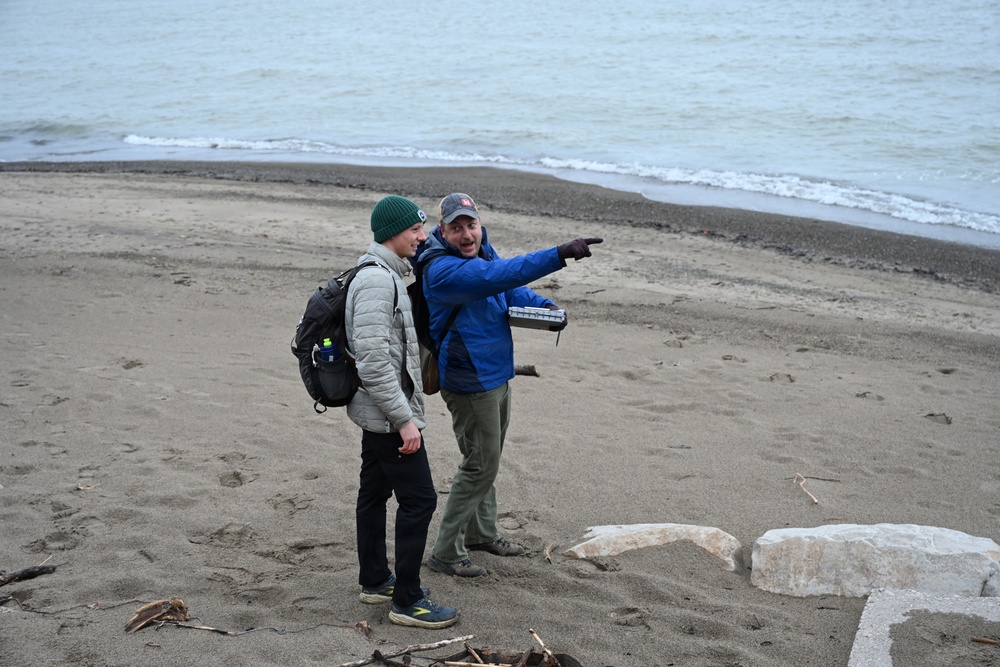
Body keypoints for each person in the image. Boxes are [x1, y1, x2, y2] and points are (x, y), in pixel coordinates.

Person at [413, 192, 602, 577]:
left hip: (496, 371)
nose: (467, 235)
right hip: (469, 379)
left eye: (472, 225)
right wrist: (559, 254)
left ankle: (482, 533)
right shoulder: (442, 271)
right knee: (480, 463)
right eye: (457, 228)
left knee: (488, 458)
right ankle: (446, 551)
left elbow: (508, 288)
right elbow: (500, 275)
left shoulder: (481, 251)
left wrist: (545, 307)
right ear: (442, 231)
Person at [344, 195, 459, 628]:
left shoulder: (384, 273)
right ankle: (408, 600)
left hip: (377, 414)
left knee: (373, 495)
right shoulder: (377, 281)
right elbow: (373, 361)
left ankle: (376, 581)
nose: (422, 236)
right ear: (392, 232)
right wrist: (404, 420)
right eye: (414, 230)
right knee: (420, 500)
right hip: (388, 416)